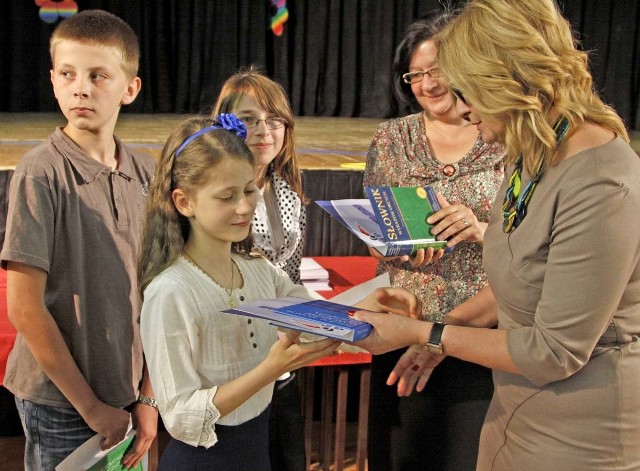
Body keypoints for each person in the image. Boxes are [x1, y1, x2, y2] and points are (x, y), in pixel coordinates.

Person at [353, 0, 640, 470]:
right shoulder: (534, 154)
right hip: (519, 415)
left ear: (507, 81)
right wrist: (439, 336)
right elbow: (519, 276)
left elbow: (553, 352)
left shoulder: (601, 181)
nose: (470, 121)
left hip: (582, 436)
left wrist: (423, 331)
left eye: (468, 96)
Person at [137, 114, 412, 470]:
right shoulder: (171, 291)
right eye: (226, 196)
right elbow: (181, 418)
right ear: (184, 201)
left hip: (256, 453)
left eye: (249, 190)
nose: (244, 207)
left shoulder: (259, 271)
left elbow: (318, 320)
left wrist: (367, 303)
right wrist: (270, 370)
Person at [0, 10, 157, 470]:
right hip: (62, 403)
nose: (81, 87)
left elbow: (159, 292)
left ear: (130, 88)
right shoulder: (41, 172)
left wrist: (148, 398)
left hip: (128, 397)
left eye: (97, 75)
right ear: (52, 81)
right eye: (68, 74)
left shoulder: (147, 172)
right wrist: (91, 409)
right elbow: (24, 307)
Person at [363, 10, 505, 471]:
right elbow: (375, 235)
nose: (426, 83)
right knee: (399, 456)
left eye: (436, 71)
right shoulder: (390, 138)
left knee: (465, 456)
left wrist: (481, 231)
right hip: (404, 323)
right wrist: (394, 242)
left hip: (479, 328)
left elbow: (529, 244)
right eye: (416, 74)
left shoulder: (501, 134)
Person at [212, 68, 308, 470]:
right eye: (249, 119)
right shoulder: (205, 190)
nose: (264, 130)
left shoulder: (288, 192)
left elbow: (293, 277)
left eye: (274, 120)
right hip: (227, 365)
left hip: (280, 361)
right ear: (225, 124)